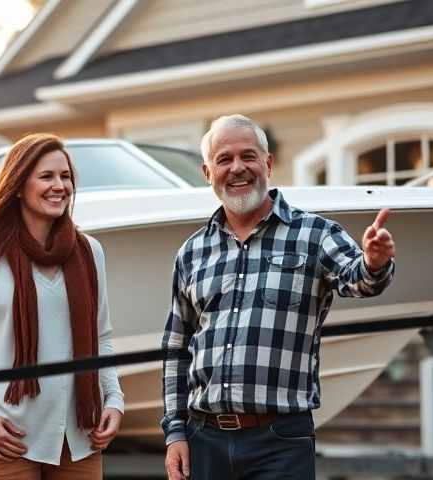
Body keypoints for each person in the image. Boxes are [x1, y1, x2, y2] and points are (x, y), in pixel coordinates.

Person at [161, 115, 395, 480]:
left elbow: (358, 280)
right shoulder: (191, 252)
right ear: (208, 173)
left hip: (281, 440)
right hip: (203, 438)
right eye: (224, 159)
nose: (237, 168)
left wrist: (374, 262)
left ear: (267, 164)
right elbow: (176, 347)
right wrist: (175, 431)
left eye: (248, 156)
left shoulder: (315, 234)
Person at [0, 133, 124, 480]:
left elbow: (101, 338)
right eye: (46, 176)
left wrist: (113, 400)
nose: (59, 186)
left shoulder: (90, 252)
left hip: (80, 439)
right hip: (9, 441)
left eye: (65, 177)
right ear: (18, 185)